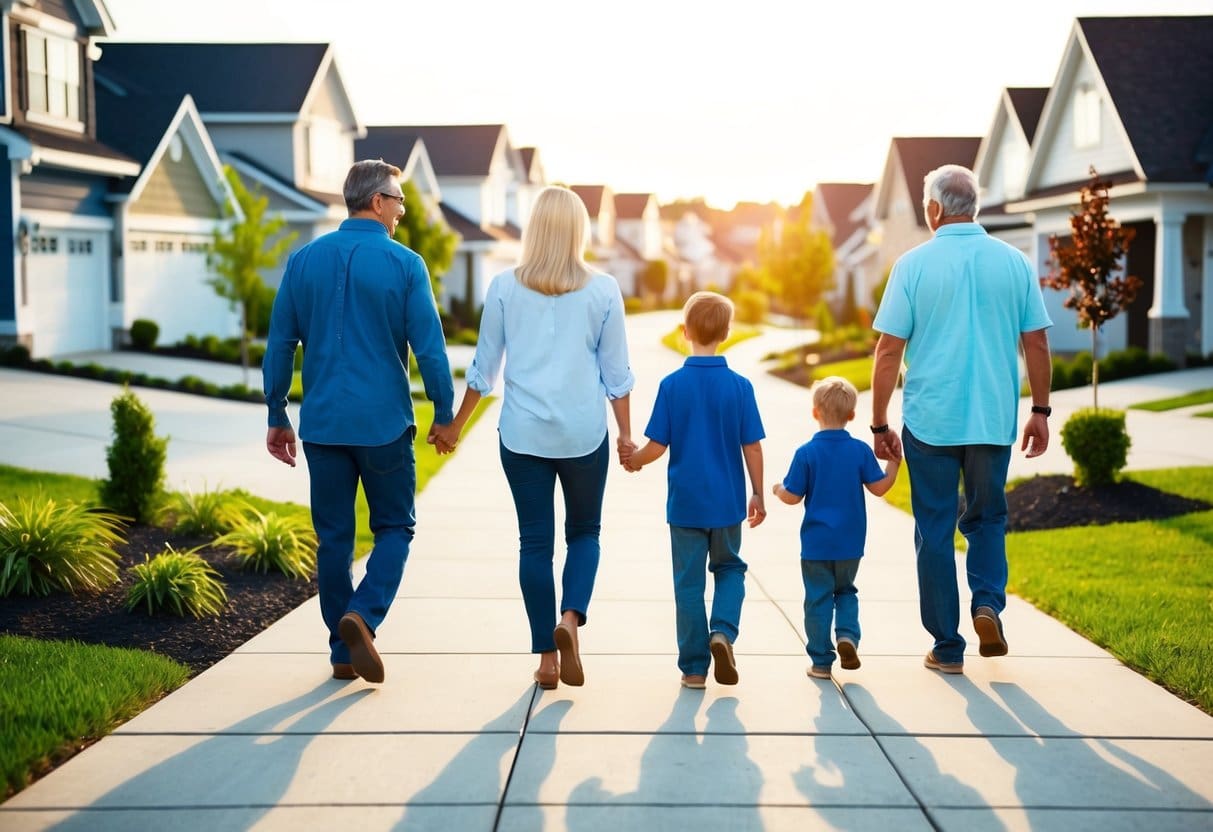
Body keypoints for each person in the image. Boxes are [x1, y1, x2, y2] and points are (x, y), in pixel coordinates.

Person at [430, 185, 634, 691]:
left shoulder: (503, 286)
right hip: (584, 435)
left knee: (534, 543)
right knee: (585, 533)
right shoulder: (603, 289)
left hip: (523, 436)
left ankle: (547, 658)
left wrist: (455, 426)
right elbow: (618, 375)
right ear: (578, 231)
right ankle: (570, 620)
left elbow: (484, 369)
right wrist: (627, 435)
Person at [262, 159, 454, 684]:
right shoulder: (406, 265)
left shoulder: (303, 261)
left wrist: (277, 411)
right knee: (395, 527)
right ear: (376, 201)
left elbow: (280, 343)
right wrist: (444, 413)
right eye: (398, 201)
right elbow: (431, 350)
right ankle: (363, 616)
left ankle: (341, 652)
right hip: (384, 426)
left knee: (334, 540)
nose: (401, 211)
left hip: (323, 426)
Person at [870, 163, 1052, 675]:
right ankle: (987, 605)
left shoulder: (914, 264)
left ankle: (948, 647)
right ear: (974, 206)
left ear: (933, 209)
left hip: (931, 420)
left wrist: (879, 423)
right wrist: (1039, 409)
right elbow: (1036, 341)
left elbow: (888, 352)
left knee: (934, 527)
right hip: (993, 419)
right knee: (988, 518)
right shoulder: (1013, 262)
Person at [623, 291, 766, 689]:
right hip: (726, 504)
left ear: (684, 332)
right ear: (728, 333)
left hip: (685, 505)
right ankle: (722, 631)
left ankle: (694, 668)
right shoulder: (740, 387)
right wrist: (758, 492)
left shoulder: (672, 386)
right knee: (730, 568)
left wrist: (634, 459)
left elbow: (657, 446)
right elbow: (751, 445)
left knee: (688, 584)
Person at [771, 376, 900, 680]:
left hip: (816, 545)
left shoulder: (806, 453)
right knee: (845, 591)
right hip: (850, 543)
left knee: (817, 598)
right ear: (852, 416)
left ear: (815, 412)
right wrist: (895, 463)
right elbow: (880, 488)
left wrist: (777, 489)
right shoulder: (858, 451)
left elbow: (792, 496)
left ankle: (820, 661)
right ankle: (847, 637)